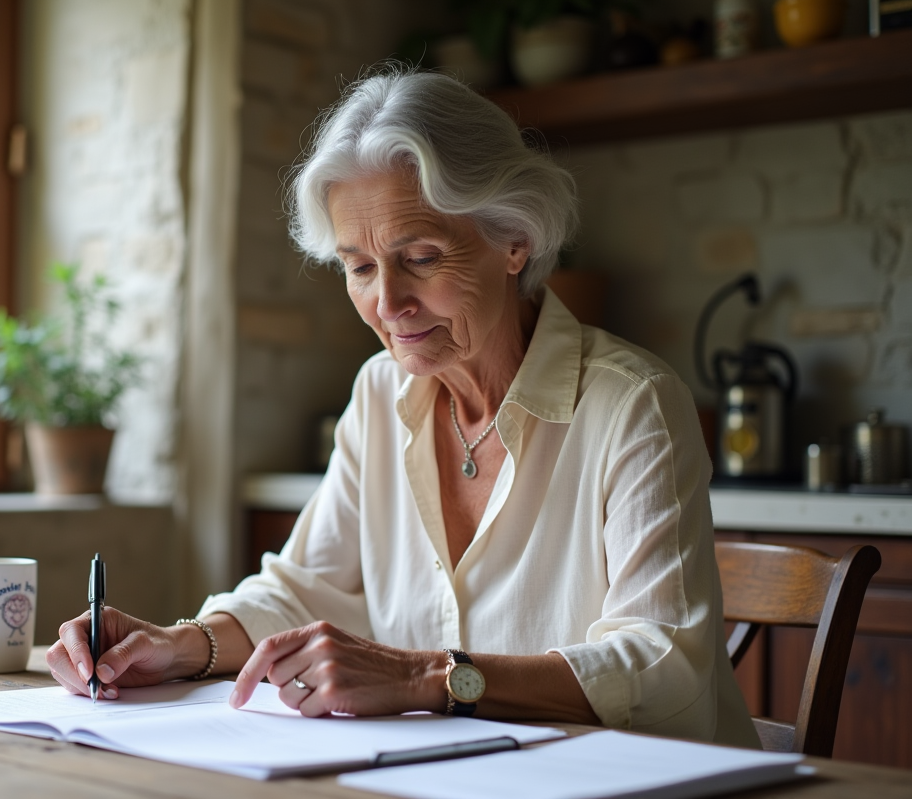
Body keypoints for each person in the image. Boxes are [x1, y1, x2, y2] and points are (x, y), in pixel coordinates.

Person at [47, 68, 760, 748]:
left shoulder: (633, 403)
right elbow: (304, 590)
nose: (387, 304)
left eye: (419, 256)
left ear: (516, 240)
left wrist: (424, 676)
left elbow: (662, 662)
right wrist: (180, 646)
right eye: (359, 267)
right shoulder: (379, 395)